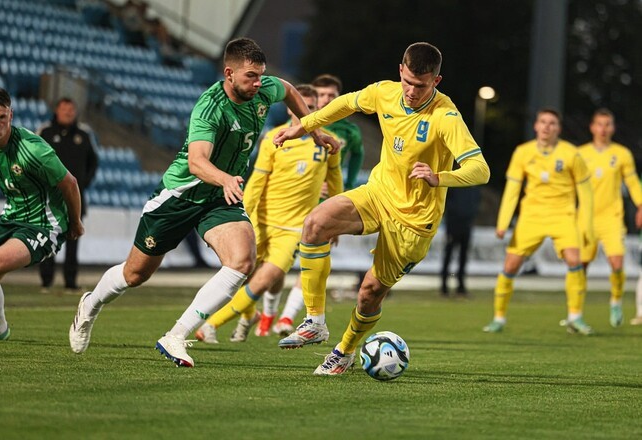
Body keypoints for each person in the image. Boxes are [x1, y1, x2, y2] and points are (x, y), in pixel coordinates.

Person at [67, 38, 339, 367]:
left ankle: (176, 335)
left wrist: (312, 130)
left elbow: (289, 90)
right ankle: (90, 305)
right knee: (135, 274)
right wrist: (225, 178)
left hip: (219, 198)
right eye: (251, 76)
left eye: (260, 75)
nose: (258, 83)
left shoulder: (263, 89)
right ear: (228, 73)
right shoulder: (210, 108)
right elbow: (197, 162)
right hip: (181, 196)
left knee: (242, 261)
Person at [273, 42, 490, 375]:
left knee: (370, 293)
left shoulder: (446, 116)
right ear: (400, 71)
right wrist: (304, 126)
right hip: (379, 193)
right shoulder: (384, 93)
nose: (412, 91)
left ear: (436, 81)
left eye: (421, 86)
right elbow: (346, 103)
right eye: (408, 82)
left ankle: (344, 351)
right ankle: (314, 321)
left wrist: (439, 177)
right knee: (315, 224)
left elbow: (480, 170)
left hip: (414, 221)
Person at [194, 84, 342, 343]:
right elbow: (257, 182)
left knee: (267, 277)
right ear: (291, 108)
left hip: (294, 229)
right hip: (261, 221)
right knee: (240, 274)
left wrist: (336, 222)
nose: (308, 112)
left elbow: (336, 181)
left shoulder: (327, 142)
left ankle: (210, 325)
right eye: (304, 106)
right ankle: (249, 315)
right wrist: (245, 216)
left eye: (312, 107)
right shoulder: (274, 138)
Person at [266, 73, 366, 337]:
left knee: (313, 259)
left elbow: (358, 155)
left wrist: (344, 187)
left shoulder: (348, 131)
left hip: (325, 203)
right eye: (321, 95)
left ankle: (287, 317)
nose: (326, 99)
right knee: (276, 264)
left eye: (332, 96)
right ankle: (267, 312)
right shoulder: (302, 126)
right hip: (292, 203)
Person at [0, 87, 83, 340]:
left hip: (44, 225)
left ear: (11, 115)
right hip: (11, 219)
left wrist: (75, 223)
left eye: (1, 117)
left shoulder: (33, 149)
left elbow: (70, 183)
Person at [483, 108, 595, 335]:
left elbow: (586, 192)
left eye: (552, 123)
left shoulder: (571, 153)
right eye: (543, 122)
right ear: (536, 126)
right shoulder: (522, 152)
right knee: (510, 266)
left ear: (558, 128)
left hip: (563, 216)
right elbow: (512, 189)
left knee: (575, 260)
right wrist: (503, 222)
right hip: (531, 216)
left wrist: (587, 226)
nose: (546, 126)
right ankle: (498, 318)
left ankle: (575, 317)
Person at [578, 109, 642, 327]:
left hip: (611, 217)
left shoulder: (622, 154)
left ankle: (615, 301)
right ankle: (575, 311)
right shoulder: (580, 153)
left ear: (613, 128)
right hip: (585, 218)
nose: (603, 129)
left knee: (617, 263)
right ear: (592, 127)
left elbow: (632, 183)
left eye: (607, 124)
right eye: (599, 124)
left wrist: (641, 205)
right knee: (580, 266)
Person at [38, 97, 99, 292]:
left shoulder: (84, 134)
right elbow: (34, 160)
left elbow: (93, 162)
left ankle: (70, 281)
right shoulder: (45, 132)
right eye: (64, 109)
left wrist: (83, 184)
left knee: (74, 237)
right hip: (50, 197)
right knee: (48, 238)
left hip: (76, 197)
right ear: (57, 110)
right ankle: (46, 280)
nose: (68, 112)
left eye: (71, 109)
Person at [440, 184, 481, 297]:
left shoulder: (474, 185)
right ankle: (444, 286)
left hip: (467, 224)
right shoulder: (454, 183)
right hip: (453, 223)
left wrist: (471, 215)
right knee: (449, 254)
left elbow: (476, 201)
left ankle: (461, 286)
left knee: (463, 255)